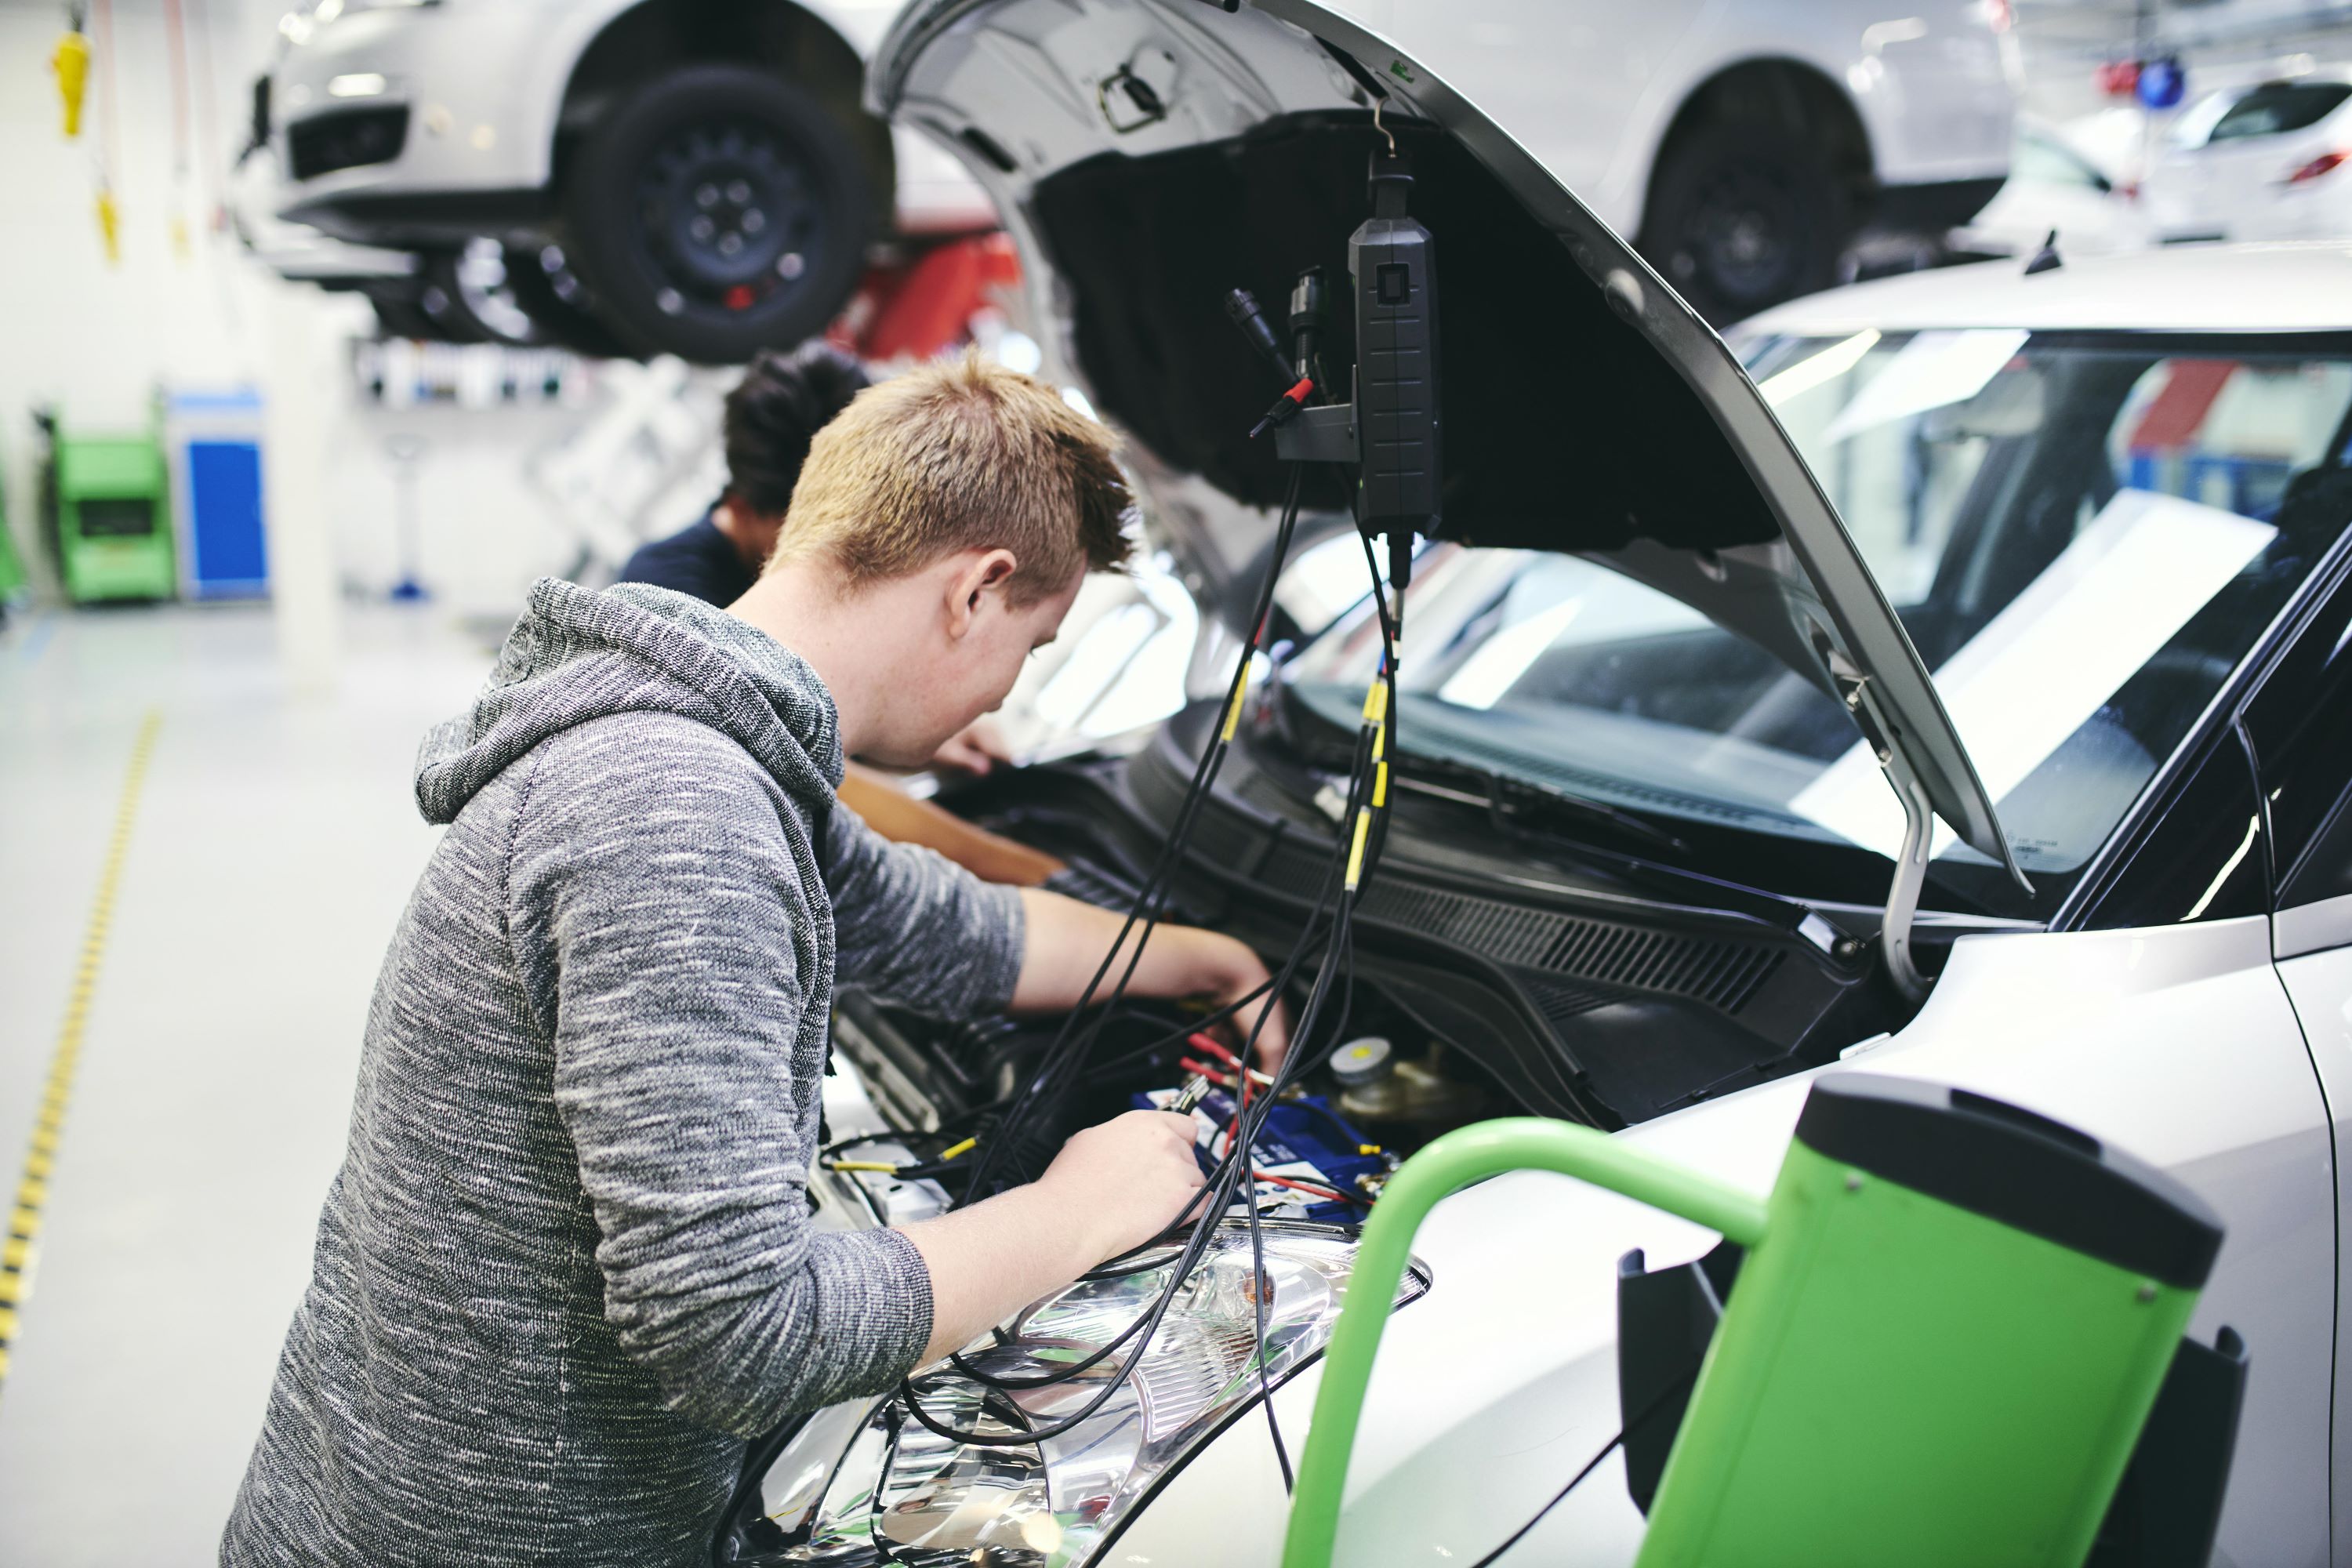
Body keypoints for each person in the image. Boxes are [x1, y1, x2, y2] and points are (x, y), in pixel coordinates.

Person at [222, 355, 1288, 1566]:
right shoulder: (677, 809)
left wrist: (1209, 960)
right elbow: (742, 1333)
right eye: (1032, 649)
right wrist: (1079, 1211)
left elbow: (944, 925)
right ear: (976, 592)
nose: (1010, 685)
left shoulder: (703, 740)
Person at [622, 343, 1063, 886]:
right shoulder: (671, 596)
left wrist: (929, 732)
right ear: (740, 506)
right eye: (807, 527)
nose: (836, 549)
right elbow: (799, 770)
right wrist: (1005, 864)